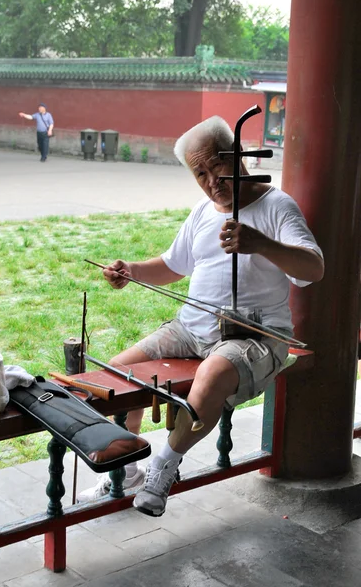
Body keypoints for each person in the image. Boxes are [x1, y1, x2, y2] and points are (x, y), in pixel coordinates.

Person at [78, 116, 325, 516]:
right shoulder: (203, 211)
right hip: (190, 328)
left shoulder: (277, 206)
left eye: (217, 166)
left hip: (254, 335)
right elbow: (174, 264)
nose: (212, 181)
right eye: (200, 173)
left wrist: (260, 243)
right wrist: (132, 271)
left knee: (211, 375)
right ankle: (127, 472)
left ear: (240, 156)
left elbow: (312, 269)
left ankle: (163, 468)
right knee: (112, 375)